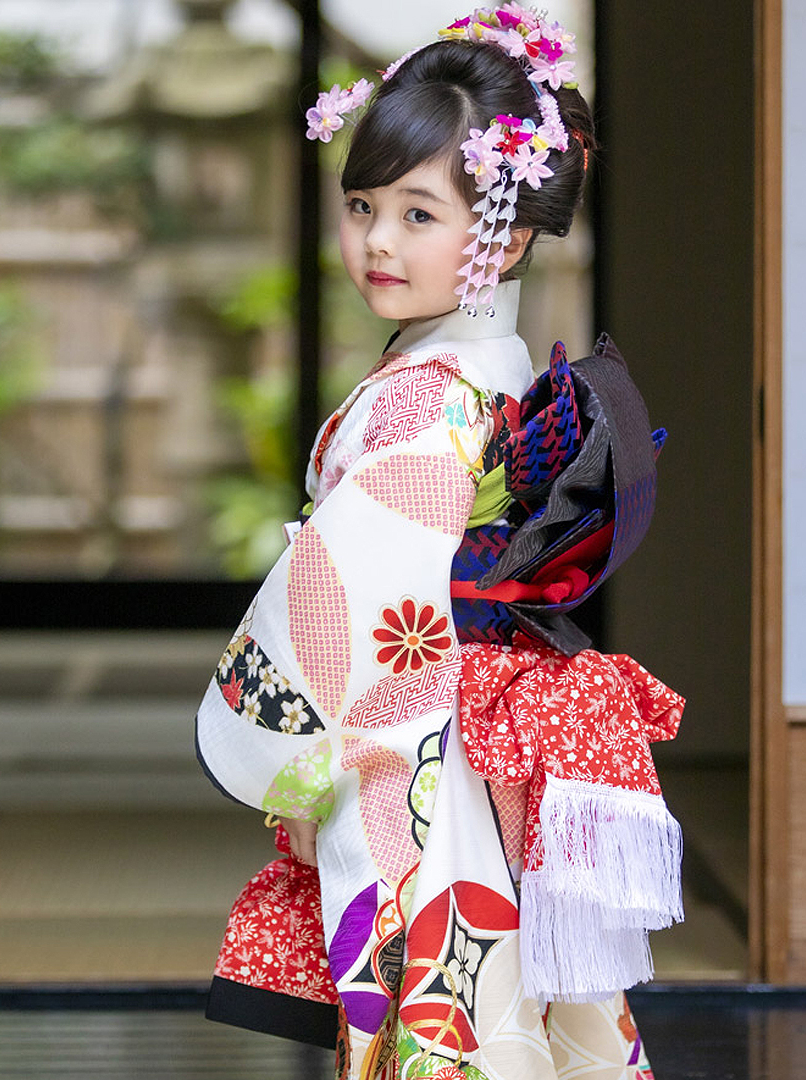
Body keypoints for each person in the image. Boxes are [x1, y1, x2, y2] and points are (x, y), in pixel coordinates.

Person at [195, 8, 685, 1079]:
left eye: (419, 214)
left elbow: (340, 591)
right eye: (362, 205)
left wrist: (259, 718)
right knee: (495, 988)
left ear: (503, 238)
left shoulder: (431, 399)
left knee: (444, 994)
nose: (376, 240)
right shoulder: (487, 364)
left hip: (420, 743)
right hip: (468, 723)